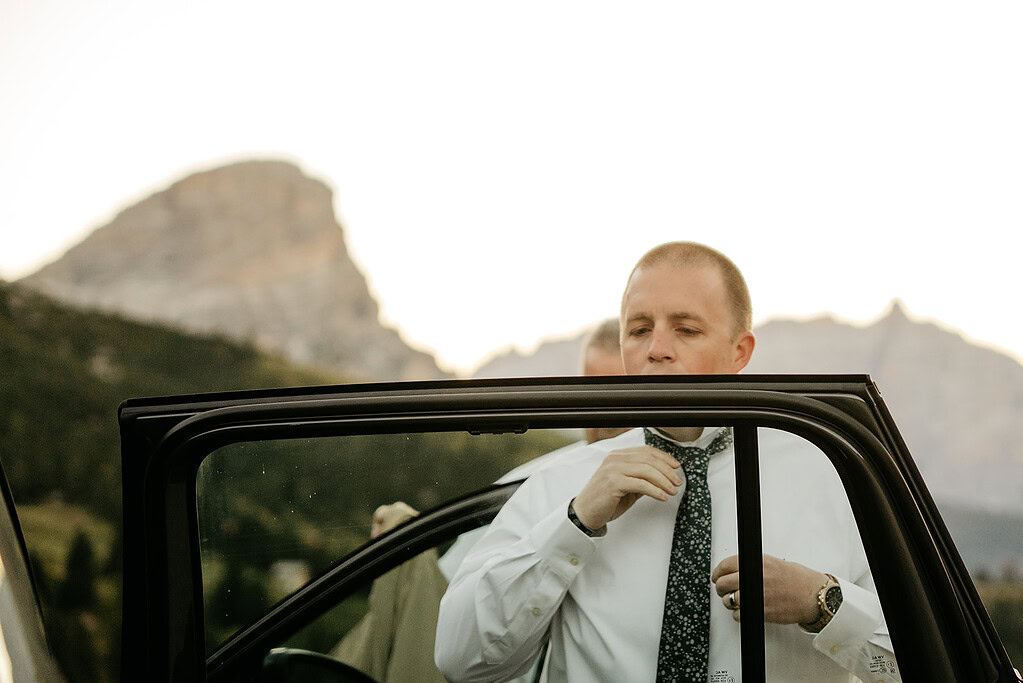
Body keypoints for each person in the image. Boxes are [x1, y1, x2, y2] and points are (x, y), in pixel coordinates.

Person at [435, 242, 901, 682]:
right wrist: (572, 526)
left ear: (740, 351)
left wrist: (823, 603)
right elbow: (462, 662)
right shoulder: (563, 483)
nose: (656, 348)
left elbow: (924, 662)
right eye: (639, 330)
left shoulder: (832, 478)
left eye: (686, 329)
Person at [330, 320, 628, 682]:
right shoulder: (535, 482)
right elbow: (448, 595)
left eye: (619, 399)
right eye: (591, 399)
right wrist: (403, 544)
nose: (604, 421)